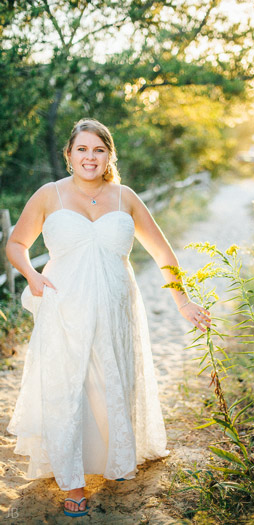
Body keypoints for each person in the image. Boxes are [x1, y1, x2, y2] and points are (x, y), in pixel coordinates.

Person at [5, 118, 211, 517]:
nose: (90, 157)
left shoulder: (125, 197)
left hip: (118, 307)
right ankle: (73, 481)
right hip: (64, 306)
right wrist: (31, 274)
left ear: (108, 156)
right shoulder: (50, 195)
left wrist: (182, 302)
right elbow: (16, 243)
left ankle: (114, 458)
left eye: (98, 150)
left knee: (112, 381)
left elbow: (163, 255)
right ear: (69, 155)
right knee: (69, 388)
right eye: (82, 149)